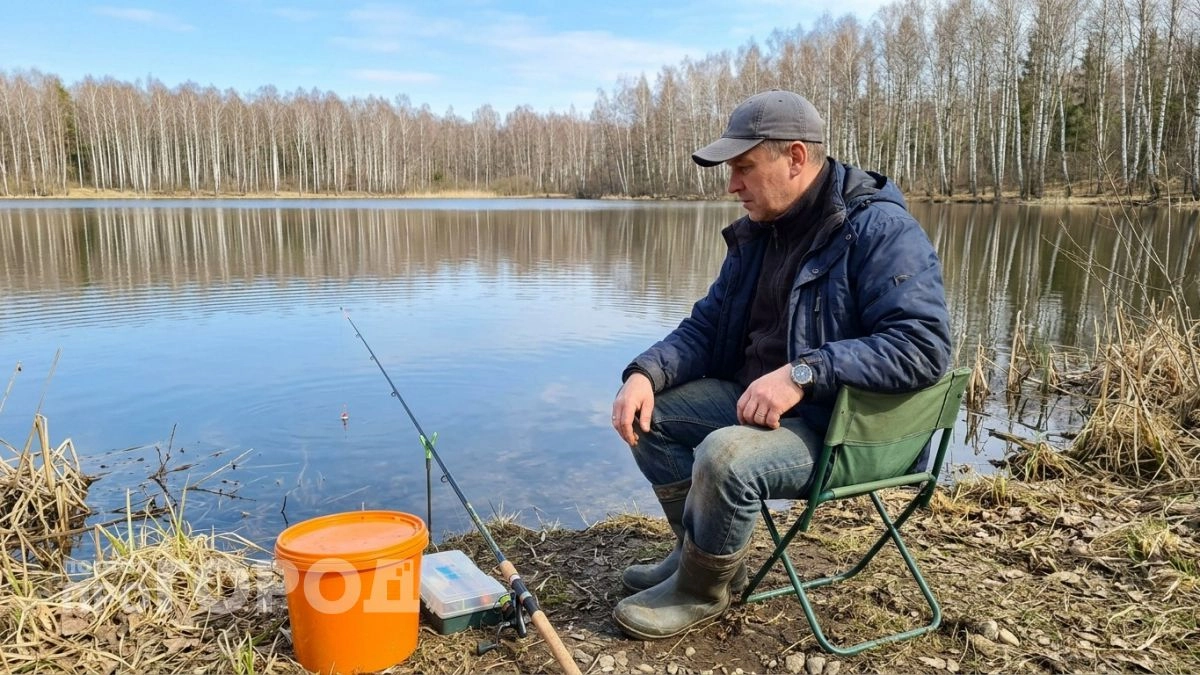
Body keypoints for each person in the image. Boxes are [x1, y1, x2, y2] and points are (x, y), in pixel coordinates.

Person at [609, 89, 952, 640]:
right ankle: (698, 555)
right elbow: (706, 325)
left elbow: (925, 346)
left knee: (725, 456)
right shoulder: (758, 235)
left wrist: (805, 373)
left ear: (796, 157)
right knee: (651, 417)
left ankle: (702, 592)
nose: (732, 184)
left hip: (846, 429)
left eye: (744, 167)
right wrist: (645, 373)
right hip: (764, 406)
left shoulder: (879, 230)